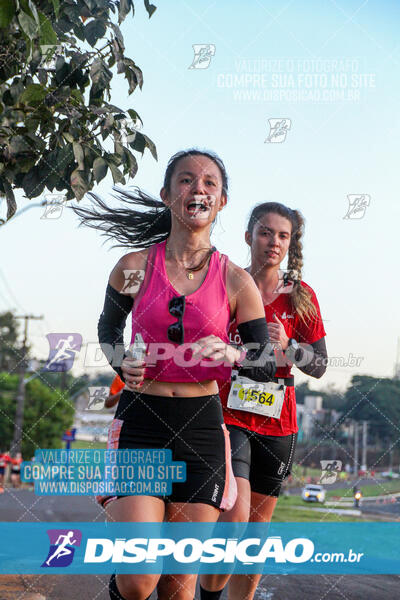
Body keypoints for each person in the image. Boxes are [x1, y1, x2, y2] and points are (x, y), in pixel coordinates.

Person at [74, 150, 276, 600]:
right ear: (168, 196)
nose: (198, 189)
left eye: (209, 184)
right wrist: (119, 359)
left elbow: (263, 362)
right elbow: (108, 330)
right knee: (138, 578)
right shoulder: (133, 268)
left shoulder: (237, 281)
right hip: (142, 423)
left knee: (177, 587)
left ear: (222, 201)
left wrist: (230, 351)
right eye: (186, 181)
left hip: (201, 430)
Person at [200, 202, 327, 600]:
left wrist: (290, 347)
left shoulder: (300, 296)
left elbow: (320, 364)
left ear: (291, 244)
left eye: (283, 236)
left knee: (256, 532)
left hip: (278, 422)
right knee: (234, 519)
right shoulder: (225, 283)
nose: (274, 242)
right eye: (266, 232)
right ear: (248, 236)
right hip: (229, 416)